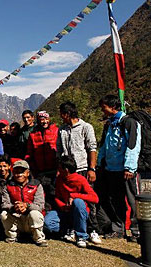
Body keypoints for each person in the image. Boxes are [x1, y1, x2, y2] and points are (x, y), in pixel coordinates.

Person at [97, 95, 141, 242]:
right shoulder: (109, 125)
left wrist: (129, 167)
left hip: (126, 171)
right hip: (111, 169)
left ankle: (137, 231)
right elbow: (103, 146)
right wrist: (100, 164)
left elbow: (133, 146)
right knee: (115, 200)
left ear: (112, 107)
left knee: (132, 200)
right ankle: (118, 229)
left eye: (104, 107)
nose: (102, 110)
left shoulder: (129, 123)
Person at [57, 101, 101, 244]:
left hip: (82, 169)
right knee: (68, 200)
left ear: (67, 114)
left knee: (88, 200)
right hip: (66, 171)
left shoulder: (86, 127)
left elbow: (92, 148)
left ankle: (93, 230)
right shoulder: (62, 130)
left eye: (62, 114)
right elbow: (59, 151)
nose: (60, 117)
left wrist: (91, 168)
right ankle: (73, 229)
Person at [44, 156, 99, 248]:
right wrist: (63, 207)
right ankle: (69, 229)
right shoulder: (59, 179)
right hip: (65, 211)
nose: (58, 170)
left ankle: (81, 236)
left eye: (59, 167)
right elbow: (57, 197)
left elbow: (95, 198)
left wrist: (74, 195)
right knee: (47, 222)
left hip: (79, 212)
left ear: (66, 170)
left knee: (78, 202)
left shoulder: (80, 180)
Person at [0, 160, 48, 247]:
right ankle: (12, 237)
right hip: (16, 217)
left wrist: (27, 205)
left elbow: (40, 206)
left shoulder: (37, 185)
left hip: (30, 220)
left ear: (28, 173)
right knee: (4, 214)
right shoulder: (7, 185)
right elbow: (4, 204)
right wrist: (14, 207)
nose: (19, 175)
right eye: (16, 172)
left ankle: (39, 238)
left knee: (35, 213)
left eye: (22, 172)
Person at [25, 111, 58, 211]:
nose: (44, 121)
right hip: (40, 171)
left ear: (49, 119)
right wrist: (31, 168)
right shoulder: (33, 134)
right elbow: (29, 153)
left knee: (55, 194)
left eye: (45, 119)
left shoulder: (56, 131)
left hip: (54, 170)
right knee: (42, 196)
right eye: (41, 119)